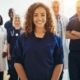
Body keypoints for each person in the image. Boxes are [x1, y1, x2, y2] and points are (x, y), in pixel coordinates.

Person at [13, 2, 64, 80]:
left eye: (43, 15)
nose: (39, 18)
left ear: (47, 17)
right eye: (35, 15)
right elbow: (17, 61)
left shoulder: (56, 39)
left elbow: (59, 63)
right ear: (31, 17)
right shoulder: (22, 38)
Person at [52, 1, 69, 80]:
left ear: (60, 8)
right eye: (54, 7)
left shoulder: (65, 19)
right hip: (51, 48)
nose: (56, 9)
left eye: (57, 7)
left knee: (60, 70)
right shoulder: (48, 19)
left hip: (61, 48)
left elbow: (68, 33)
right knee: (52, 70)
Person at [66, 1, 80, 80]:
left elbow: (70, 33)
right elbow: (67, 35)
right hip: (73, 54)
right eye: (77, 7)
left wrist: (74, 32)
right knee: (73, 77)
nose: (79, 9)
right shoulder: (71, 21)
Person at [7, 14, 22, 80]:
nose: (17, 19)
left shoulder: (23, 30)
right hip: (13, 55)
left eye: (18, 18)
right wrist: (8, 53)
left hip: (22, 55)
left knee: (22, 73)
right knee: (13, 73)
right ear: (14, 19)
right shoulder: (10, 30)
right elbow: (8, 43)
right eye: (16, 18)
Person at [0, 15, 8, 80]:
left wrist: (5, 50)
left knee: (1, 70)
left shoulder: (4, 30)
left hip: (1, 52)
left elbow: (6, 41)